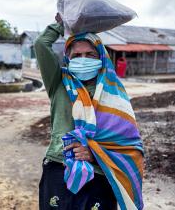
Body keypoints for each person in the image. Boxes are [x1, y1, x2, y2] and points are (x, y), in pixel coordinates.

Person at [34, 13, 144, 210]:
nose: (82, 59)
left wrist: (95, 154)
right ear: (67, 58)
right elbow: (42, 44)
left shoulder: (114, 94)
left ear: (101, 57)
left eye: (90, 55)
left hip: (99, 175)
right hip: (58, 167)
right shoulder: (58, 83)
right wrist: (62, 23)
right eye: (76, 55)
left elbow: (129, 146)